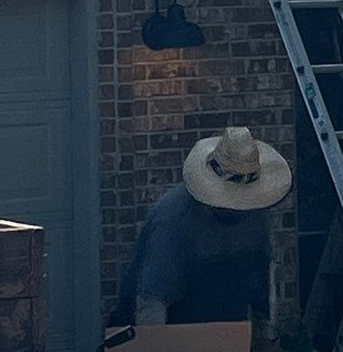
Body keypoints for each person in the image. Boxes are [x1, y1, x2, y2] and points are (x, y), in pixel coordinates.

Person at [114, 127, 292, 325]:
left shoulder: (256, 213)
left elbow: (260, 281)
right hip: (175, 331)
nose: (240, 210)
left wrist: (265, 334)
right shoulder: (173, 219)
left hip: (231, 334)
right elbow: (151, 301)